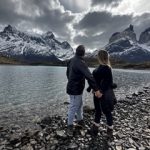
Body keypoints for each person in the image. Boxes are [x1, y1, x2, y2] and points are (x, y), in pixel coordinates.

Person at [66, 45, 102, 136]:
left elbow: (67, 73)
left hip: (72, 87)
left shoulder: (71, 60)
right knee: (73, 106)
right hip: (75, 89)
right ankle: (69, 126)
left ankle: (80, 120)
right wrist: (96, 89)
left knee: (79, 104)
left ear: (76, 52)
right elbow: (89, 76)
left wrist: (71, 82)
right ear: (83, 53)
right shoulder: (81, 62)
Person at [87, 50, 116, 136]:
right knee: (102, 111)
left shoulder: (102, 69)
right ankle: (102, 129)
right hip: (100, 93)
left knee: (103, 111)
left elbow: (107, 82)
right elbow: (106, 82)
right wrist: (96, 90)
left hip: (100, 94)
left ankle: (103, 129)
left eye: (97, 56)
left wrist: (98, 91)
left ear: (99, 57)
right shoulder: (103, 68)